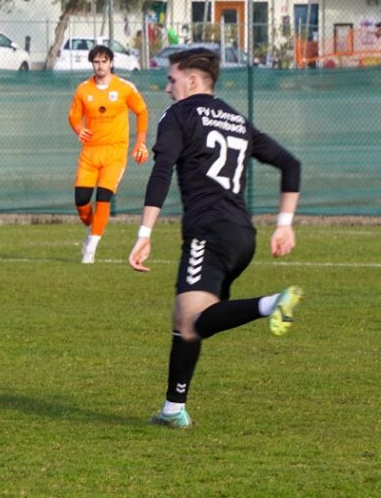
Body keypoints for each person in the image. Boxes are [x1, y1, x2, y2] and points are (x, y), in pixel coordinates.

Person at [129, 47, 303, 429]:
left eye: (172, 79)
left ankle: (271, 303)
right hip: (242, 236)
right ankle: (173, 409)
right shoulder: (235, 119)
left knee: (193, 321)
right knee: (187, 318)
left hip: (207, 231)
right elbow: (290, 164)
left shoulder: (179, 114)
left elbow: (162, 170)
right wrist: (284, 224)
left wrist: (144, 233)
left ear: (192, 80)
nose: (167, 87)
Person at [67, 44, 149, 264]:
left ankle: (91, 248)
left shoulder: (124, 88)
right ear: (92, 64)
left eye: (104, 61)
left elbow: (141, 111)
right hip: (90, 153)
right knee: (82, 202)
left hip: (115, 152)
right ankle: (91, 229)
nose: (100, 65)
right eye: (96, 62)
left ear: (111, 63)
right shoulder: (83, 90)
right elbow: (73, 116)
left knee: (104, 197)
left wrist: (140, 142)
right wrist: (79, 129)